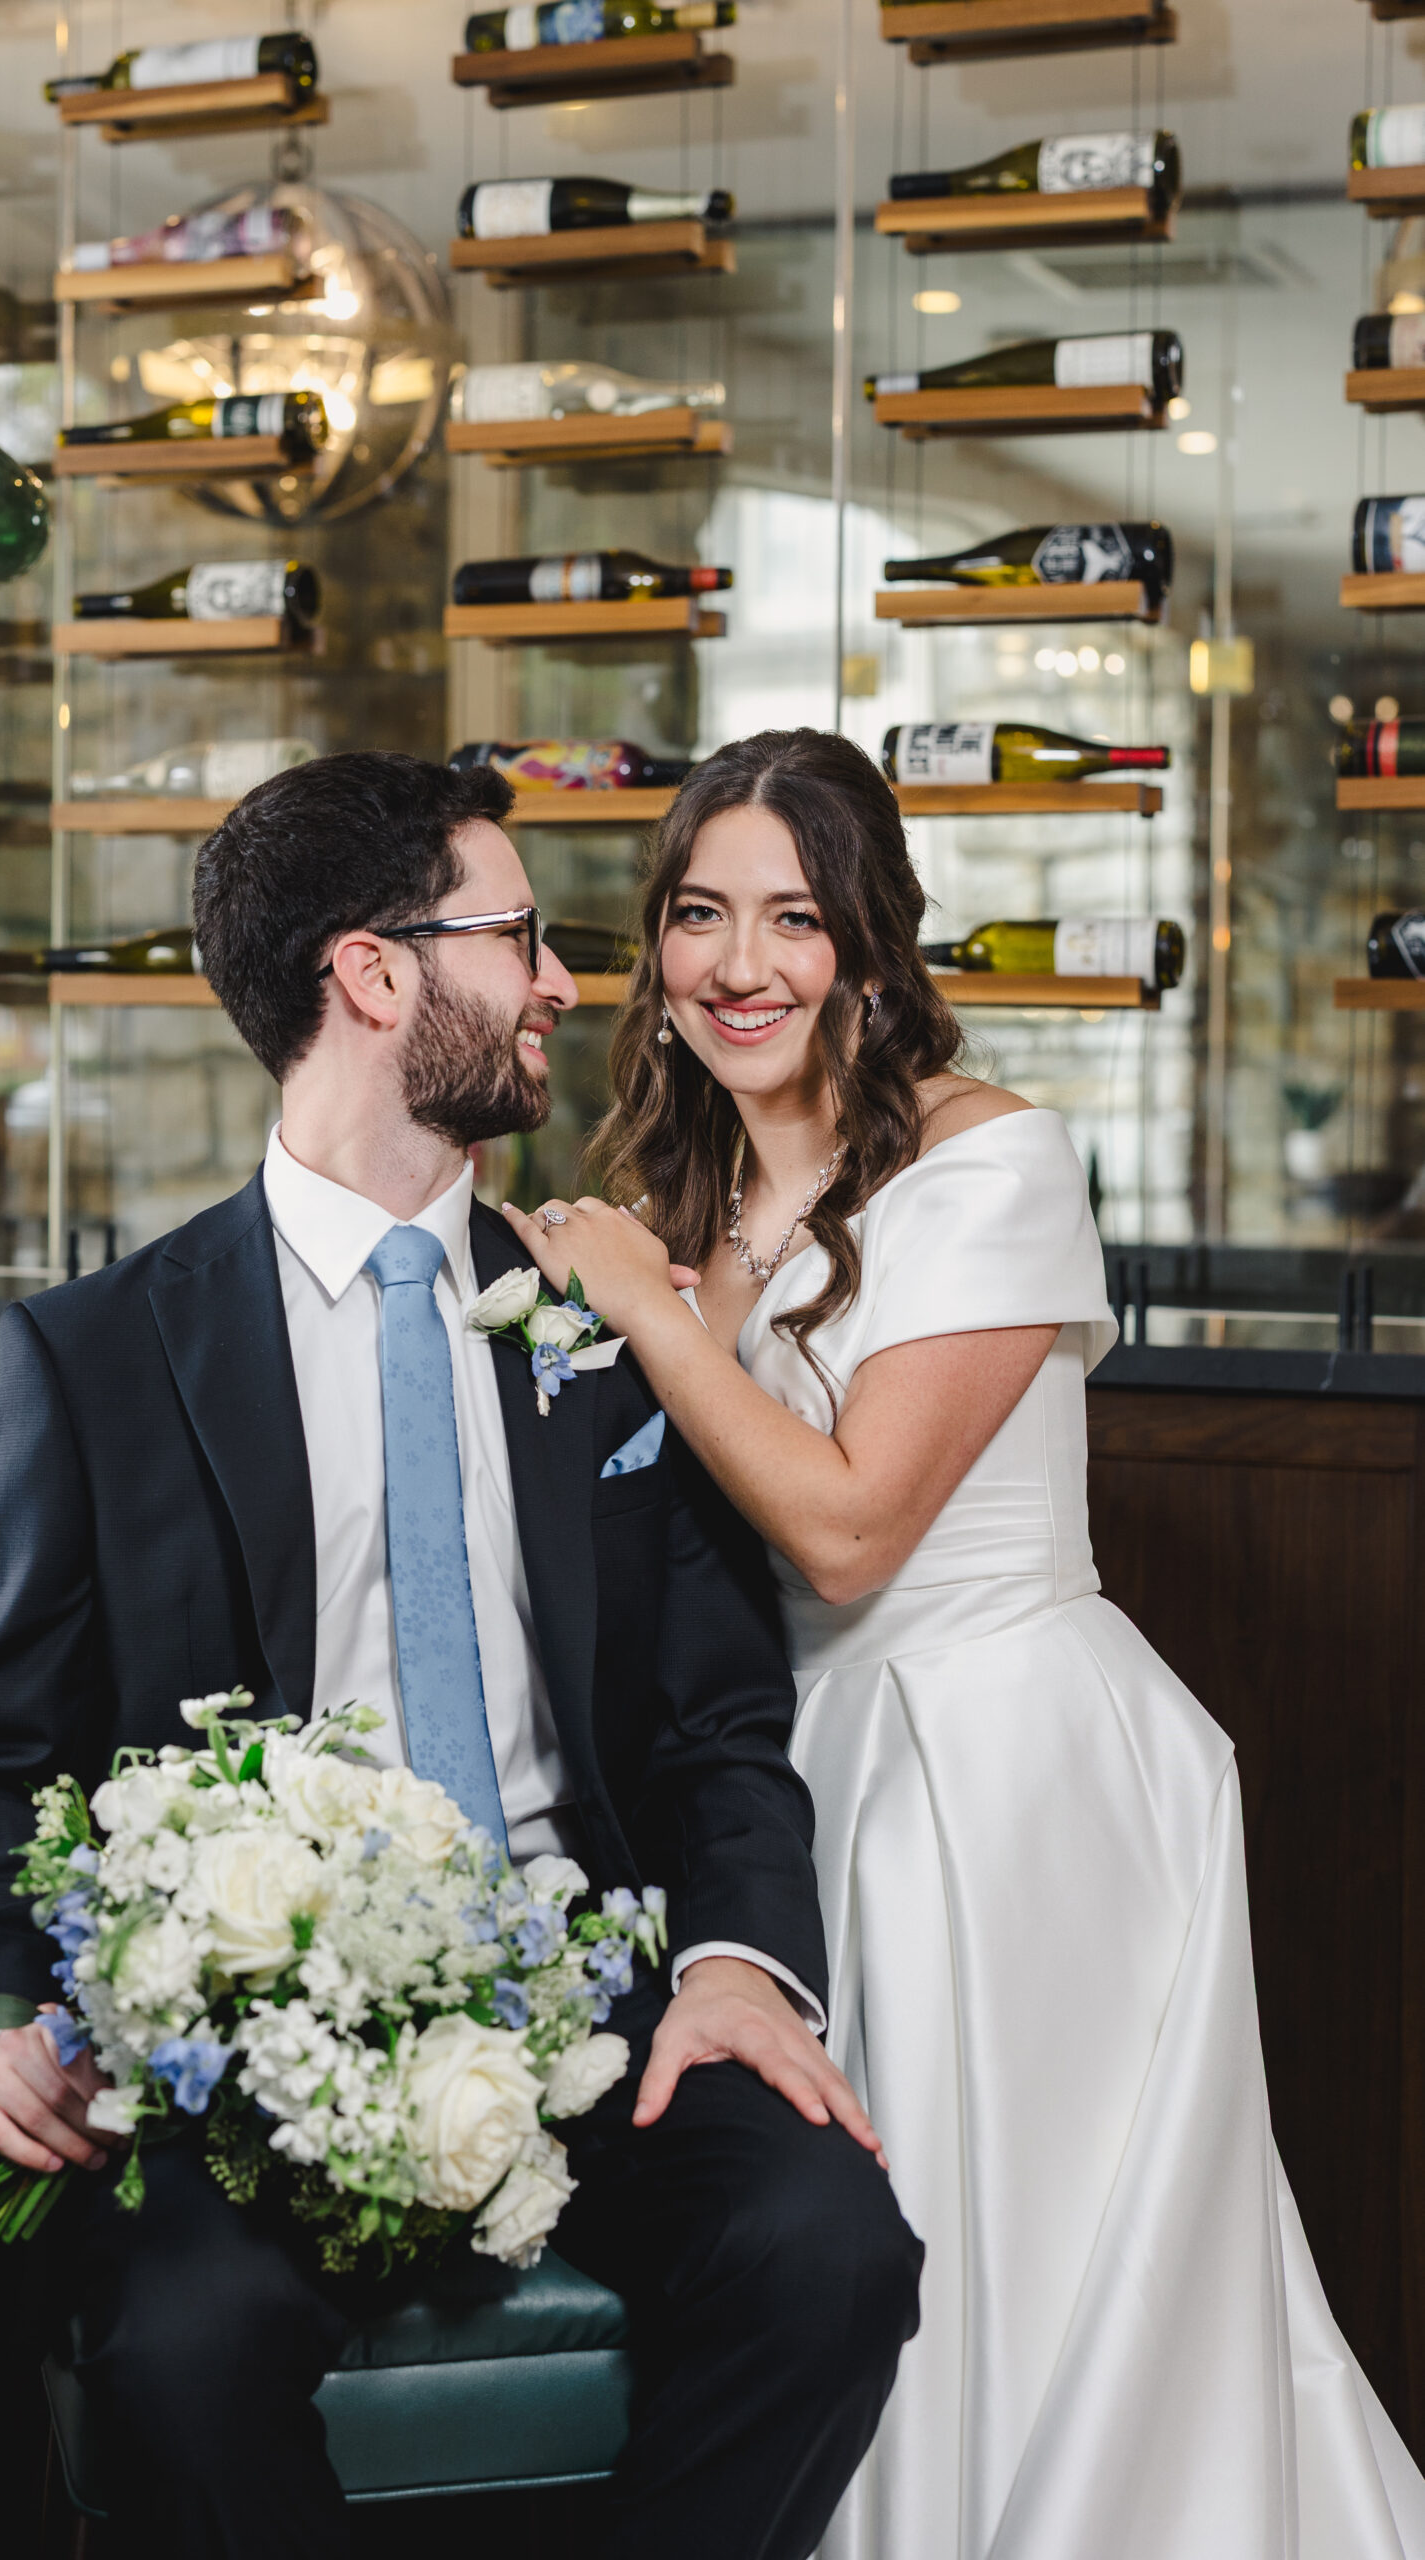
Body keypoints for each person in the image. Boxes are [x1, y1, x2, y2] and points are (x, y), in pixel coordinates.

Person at [0, 748, 923, 2560]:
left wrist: (743, 1964)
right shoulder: (101, 1355)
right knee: (181, 2343)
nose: (564, 982)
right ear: (375, 977)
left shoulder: (611, 1324)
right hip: (243, 2053)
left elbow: (718, 1720)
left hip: (591, 2006)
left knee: (832, 2248)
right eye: (519, 937)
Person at [503, 725, 1425, 2560]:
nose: (738, 966)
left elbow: (851, 1531)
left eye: (791, 918)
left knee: (1037, 2254)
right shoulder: (691, 1194)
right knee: (856, 2256)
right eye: (698, 915)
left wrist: (638, 1308)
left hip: (999, 1774)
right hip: (800, 1781)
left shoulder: (992, 1158)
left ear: (868, 941)